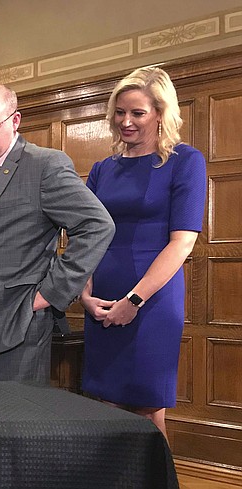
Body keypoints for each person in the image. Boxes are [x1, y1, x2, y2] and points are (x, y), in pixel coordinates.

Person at [0, 84, 114, 383]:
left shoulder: (45, 165)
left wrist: (51, 294)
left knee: (12, 424)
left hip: (17, 324)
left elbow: (97, 226)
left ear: (15, 120)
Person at [80, 67, 206, 439]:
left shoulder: (185, 161)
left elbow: (182, 241)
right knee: (105, 406)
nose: (126, 121)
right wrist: (84, 292)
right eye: (120, 112)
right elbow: (88, 234)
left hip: (152, 300)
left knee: (148, 410)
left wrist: (134, 299)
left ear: (160, 114)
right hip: (102, 298)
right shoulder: (103, 169)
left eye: (137, 112)